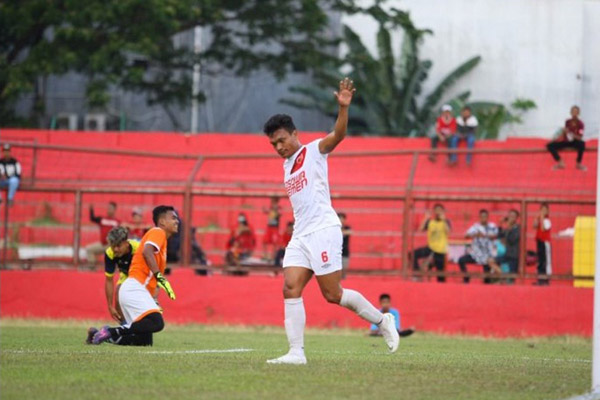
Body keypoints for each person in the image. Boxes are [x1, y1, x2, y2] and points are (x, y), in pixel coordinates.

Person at [263, 77, 399, 365]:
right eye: (274, 143)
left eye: (282, 140)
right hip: (300, 235)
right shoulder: (286, 167)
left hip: (324, 230)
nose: (278, 147)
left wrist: (343, 108)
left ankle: (382, 320)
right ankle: (296, 353)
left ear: (294, 134)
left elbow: (337, 135)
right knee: (290, 287)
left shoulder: (313, 150)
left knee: (333, 294)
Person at [89, 205, 178, 346]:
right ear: (162, 222)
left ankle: (101, 335)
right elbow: (147, 252)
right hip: (134, 288)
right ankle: (111, 331)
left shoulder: (162, 241)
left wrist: (153, 295)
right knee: (157, 322)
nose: (177, 221)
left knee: (144, 341)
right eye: (173, 218)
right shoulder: (158, 232)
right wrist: (161, 278)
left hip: (136, 290)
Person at [102, 226, 140, 323]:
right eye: (113, 245)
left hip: (142, 276)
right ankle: (124, 329)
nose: (115, 249)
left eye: (118, 246)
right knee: (119, 295)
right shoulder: (110, 253)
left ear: (126, 243)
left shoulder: (139, 249)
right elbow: (109, 280)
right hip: (126, 275)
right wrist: (110, 306)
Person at [412, 204, 451, 283]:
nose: (438, 212)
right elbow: (421, 229)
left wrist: (443, 220)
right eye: (436, 210)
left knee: (440, 276)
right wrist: (426, 218)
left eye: (439, 210)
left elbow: (448, 232)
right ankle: (416, 275)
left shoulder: (446, 221)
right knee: (413, 254)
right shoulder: (430, 222)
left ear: (443, 212)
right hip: (430, 248)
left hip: (440, 251)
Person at [458, 209, 499, 284]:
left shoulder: (492, 226)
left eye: (485, 216)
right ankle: (466, 278)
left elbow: (496, 236)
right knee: (461, 260)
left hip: (487, 255)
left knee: (487, 280)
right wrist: (475, 235)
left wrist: (485, 235)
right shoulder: (475, 226)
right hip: (476, 254)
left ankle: (487, 284)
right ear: (479, 217)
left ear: (487, 217)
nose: (483, 218)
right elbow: (466, 235)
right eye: (482, 216)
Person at [546, 105, 586, 171]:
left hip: (574, 142)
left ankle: (578, 163)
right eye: (573, 111)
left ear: (578, 113)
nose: (574, 113)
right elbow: (564, 133)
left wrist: (571, 134)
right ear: (570, 112)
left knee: (582, 144)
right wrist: (556, 139)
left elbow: (580, 137)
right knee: (550, 145)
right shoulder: (567, 122)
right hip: (566, 141)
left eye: (576, 112)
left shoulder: (580, 124)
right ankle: (560, 162)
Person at [488, 209, 521, 283]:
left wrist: (509, 226)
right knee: (490, 261)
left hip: (514, 256)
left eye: (513, 216)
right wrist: (500, 225)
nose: (511, 218)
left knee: (511, 281)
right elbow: (500, 235)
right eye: (510, 216)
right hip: (507, 254)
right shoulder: (508, 228)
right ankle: (504, 276)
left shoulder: (518, 228)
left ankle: (505, 279)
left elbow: (512, 239)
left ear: (516, 218)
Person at [86, 202, 120, 267]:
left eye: (111, 208)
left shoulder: (117, 222)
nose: (109, 210)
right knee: (89, 249)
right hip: (102, 244)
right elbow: (92, 218)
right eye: (108, 208)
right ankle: (92, 267)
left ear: (114, 210)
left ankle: (115, 268)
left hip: (112, 245)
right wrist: (91, 210)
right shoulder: (102, 219)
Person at [533, 203, 552, 285]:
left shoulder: (547, 220)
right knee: (540, 261)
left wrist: (542, 218)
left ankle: (546, 279)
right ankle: (540, 278)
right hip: (539, 242)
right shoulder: (540, 219)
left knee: (545, 261)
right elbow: (534, 226)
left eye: (545, 210)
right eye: (542, 210)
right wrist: (537, 218)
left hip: (545, 243)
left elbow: (543, 229)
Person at [262, 197, 281, 261]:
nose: (272, 203)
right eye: (272, 201)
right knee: (264, 241)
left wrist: (275, 211)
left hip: (275, 228)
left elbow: (279, 214)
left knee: (275, 242)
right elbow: (266, 211)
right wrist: (265, 209)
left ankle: (273, 257)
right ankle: (265, 256)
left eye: (274, 201)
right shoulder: (270, 208)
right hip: (269, 227)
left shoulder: (278, 208)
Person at [338, 213, 352, 279]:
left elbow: (350, 232)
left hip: (345, 251)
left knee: (344, 267)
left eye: (342, 218)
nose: (341, 220)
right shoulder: (335, 228)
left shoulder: (347, 227)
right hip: (336, 251)